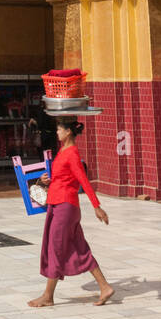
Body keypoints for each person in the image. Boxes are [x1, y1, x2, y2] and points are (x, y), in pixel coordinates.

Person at [28, 117, 113, 307]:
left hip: (65, 207)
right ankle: (105, 287)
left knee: (55, 249)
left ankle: (48, 296)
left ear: (68, 132)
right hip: (59, 204)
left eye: (59, 130)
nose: (57, 133)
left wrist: (96, 206)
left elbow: (83, 180)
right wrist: (47, 180)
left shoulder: (72, 153)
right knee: (80, 248)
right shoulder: (63, 151)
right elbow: (64, 178)